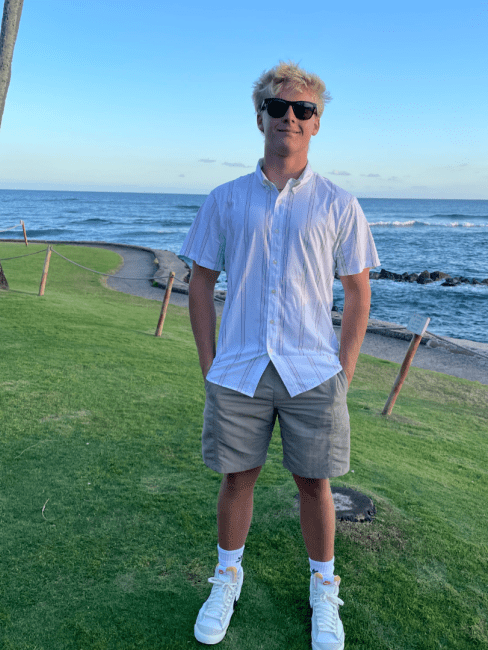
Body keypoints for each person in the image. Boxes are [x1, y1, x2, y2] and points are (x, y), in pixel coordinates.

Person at [181, 61, 379, 649]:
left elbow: (359, 290)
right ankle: (226, 579)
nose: (289, 117)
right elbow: (199, 280)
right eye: (277, 106)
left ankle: (324, 590)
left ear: (317, 123)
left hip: (312, 371)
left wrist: (344, 371)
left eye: (303, 109)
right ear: (260, 116)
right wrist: (209, 360)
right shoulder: (225, 199)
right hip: (239, 367)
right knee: (235, 480)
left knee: (314, 485)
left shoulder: (339, 204)